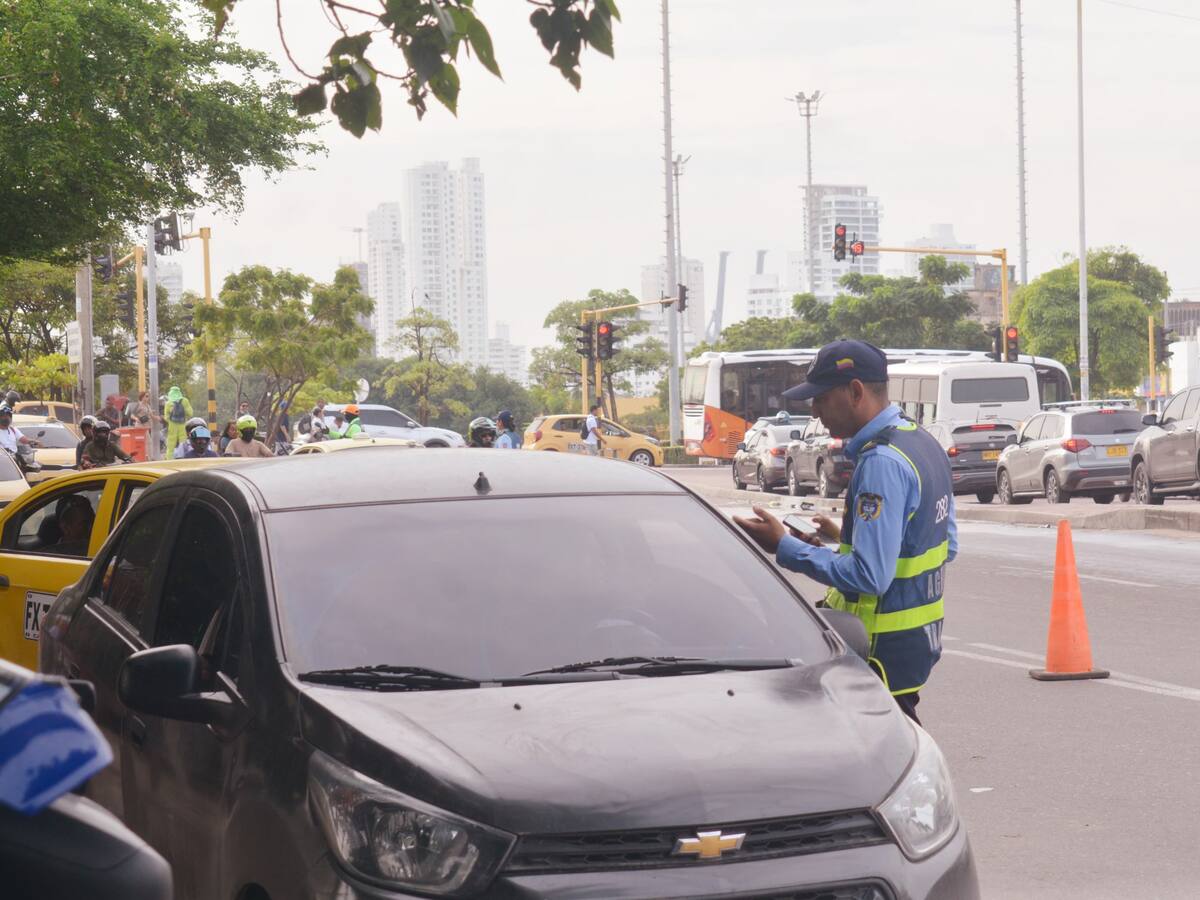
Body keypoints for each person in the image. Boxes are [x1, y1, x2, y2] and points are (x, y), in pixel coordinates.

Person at [733, 340, 956, 725]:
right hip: (916, 644)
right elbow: (943, 543)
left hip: (876, 653)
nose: (815, 412)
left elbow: (871, 576)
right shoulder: (922, 444)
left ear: (855, 392)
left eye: (821, 398)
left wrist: (785, 546)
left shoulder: (881, 462)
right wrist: (845, 539)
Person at [164, 386, 192, 457]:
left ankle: (169, 459)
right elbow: (190, 413)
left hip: (172, 425)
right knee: (183, 442)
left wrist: (170, 420)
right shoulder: (185, 401)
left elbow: (166, 417)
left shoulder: (168, 403)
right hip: (182, 424)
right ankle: (184, 456)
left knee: (171, 444)